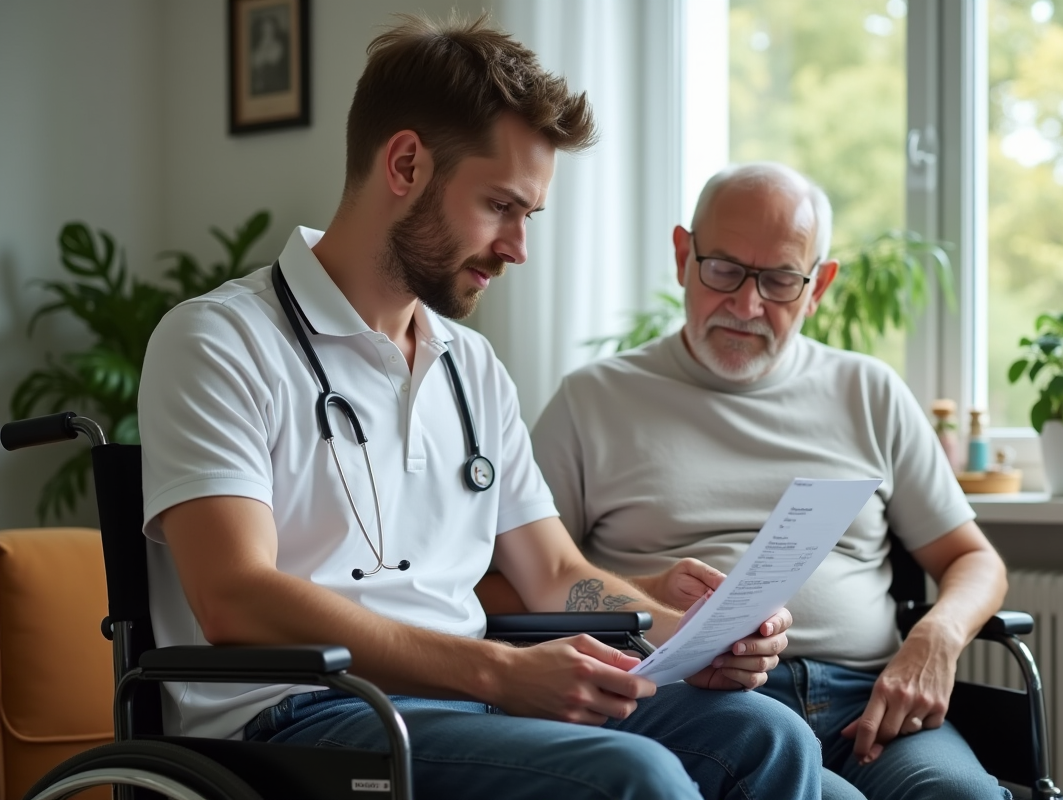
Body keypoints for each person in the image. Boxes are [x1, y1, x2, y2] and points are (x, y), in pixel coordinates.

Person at [137, 16, 824, 800]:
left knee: (765, 735)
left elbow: (555, 573)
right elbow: (236, 597)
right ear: (404, 164)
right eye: (501, 206)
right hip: (298, 723)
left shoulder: (471, 368)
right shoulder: (219, 340)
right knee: (633, 778)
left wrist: (695, 638)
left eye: (530, 215)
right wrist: (499, 671)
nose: (518, 247)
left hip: (466, 703)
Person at [530, 162, 1012, 800]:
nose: (747, 304)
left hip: (866, 706)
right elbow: (524, 579)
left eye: (781, 280)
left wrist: (936, 638)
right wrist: (655, 608)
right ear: (683, 256)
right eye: (724, 269)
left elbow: (975, 560)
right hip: (691, 704)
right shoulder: (593, 401)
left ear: (818, 287)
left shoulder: (868, 393)